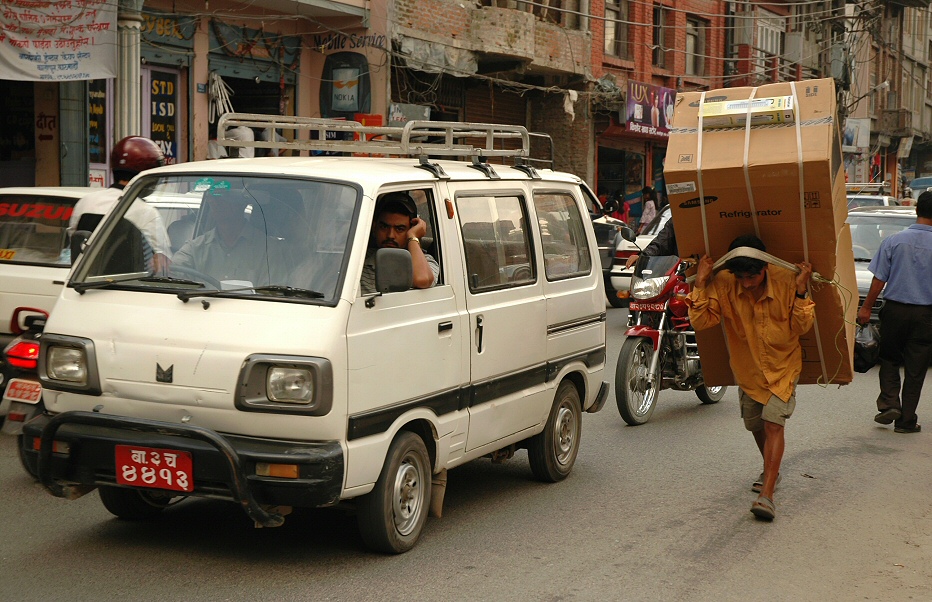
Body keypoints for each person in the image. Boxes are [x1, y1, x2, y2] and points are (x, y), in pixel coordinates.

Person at [687, 234, 814, 521]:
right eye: (741, 277)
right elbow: (702, 321)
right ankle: (772, 470)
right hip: (747, 368)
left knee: (772, 424)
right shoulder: (724, 283)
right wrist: (700, 283)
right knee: (754, 424)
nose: (746, 283)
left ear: (765, 268)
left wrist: (802, 292)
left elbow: (801, 326)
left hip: (783, 367)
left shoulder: (786, 280)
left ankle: (767, 494)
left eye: (752, 276)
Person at [857, 191, 932, 433]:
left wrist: (866, 307)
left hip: (895, 311)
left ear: (917, 210)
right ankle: (906, 420)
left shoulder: (894, 241)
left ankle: (890, 403)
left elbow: (879, 279)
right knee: (916, 366)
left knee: (889, 358)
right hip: (926, 315)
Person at [68, 136, 171, 272]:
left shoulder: (85, 203)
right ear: (149, 175)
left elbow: (73, 242)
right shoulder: (146, 212)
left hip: (83, 286)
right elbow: (163, 265)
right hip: (127, 290)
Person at [172, 180, 288, 287]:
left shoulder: (268, 250)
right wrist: (159, 259)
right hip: (202, 307)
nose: (216, 201)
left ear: (243, 202)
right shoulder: (196, 248)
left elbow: (272, 297)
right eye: (212, 196)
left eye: (225, 195)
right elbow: (171, 273)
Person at [360, 192, 439, 295]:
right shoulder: (360, 258)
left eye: (400, 229)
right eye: (384, 227)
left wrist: (413, 236)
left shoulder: (426, 262)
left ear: (411, 228)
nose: (390, 235)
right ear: (374, 227)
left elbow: (422, 279)